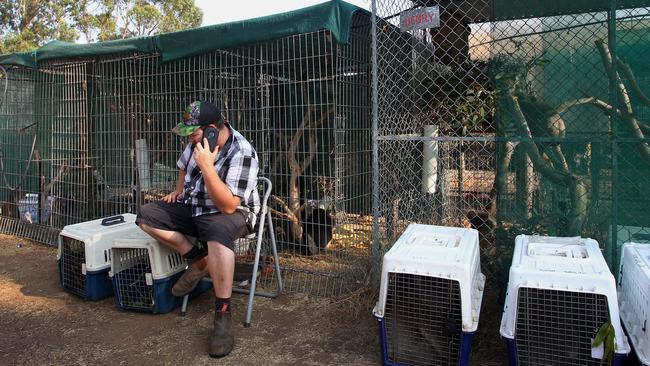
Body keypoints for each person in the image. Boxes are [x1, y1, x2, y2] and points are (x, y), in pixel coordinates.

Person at [136, 101, 259, 358]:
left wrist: (207, 166)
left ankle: (223, 316)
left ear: (212, 130)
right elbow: (182, 166)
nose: (190, 139)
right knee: (146, 216)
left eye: (193, 133)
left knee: (216, 232)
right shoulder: (197, 144)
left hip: (232, 213)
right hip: (196, 207)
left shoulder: (242, 152)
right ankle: (196, 258)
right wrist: (180, 190)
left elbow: (227, 206)